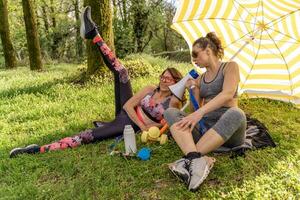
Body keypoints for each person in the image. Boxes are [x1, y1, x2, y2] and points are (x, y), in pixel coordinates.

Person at [9, 6, 183, 158]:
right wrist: (143, 125)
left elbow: (163, 124)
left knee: (87, 136)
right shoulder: (150, 88)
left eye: (168, 78)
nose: (163, 80)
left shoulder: (173, 102)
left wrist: (143, 127)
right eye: (162, 76)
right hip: (129, 117)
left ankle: (35, 150)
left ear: (176, 82)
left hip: (127, 124)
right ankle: (93, 33)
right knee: (122, 72)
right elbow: (129, 106)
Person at [163, 32, 246, 191]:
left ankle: (187, 159)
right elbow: (195, 110)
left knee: (237, 113)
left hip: (229, 131)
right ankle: (197, 159)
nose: (193, 59)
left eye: (196, 54)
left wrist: (199, 113)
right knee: (170, 113)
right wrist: (193, 89)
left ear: (208, 50)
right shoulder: (200, 79)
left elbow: (228, 94)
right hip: (206, 131)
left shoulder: (230, 67)